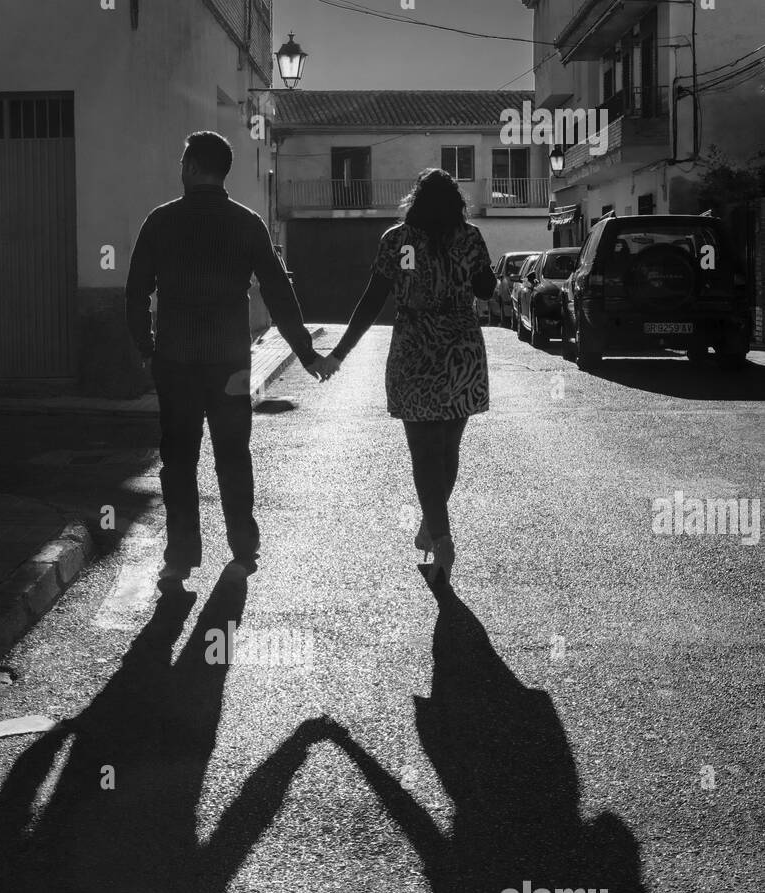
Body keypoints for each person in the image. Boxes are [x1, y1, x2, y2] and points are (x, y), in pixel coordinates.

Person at [126, 130, 332, 592]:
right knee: (233, 456)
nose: (180, 169)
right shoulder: (247, 223)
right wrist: (305, 351)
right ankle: (242, 548)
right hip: (231, 364)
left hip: (176, 360)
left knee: (178, 460)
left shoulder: (160, 222)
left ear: (195, 167)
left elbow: (136, 291)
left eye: (184, 161)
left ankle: (179, 559)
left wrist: (146, 348)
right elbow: (278, 291)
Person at [320, 169, 497, 588]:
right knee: (448, 448)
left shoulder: (398, 241)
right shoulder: (469, 237)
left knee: (421, 453)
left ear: (414, 201)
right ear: (456, 202)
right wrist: (471, 269)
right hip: (461, 352)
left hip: (414, 350)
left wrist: (340, 353)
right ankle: (434, 527)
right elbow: (487, 290)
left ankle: (439, 534)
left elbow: (372, 300)